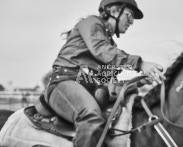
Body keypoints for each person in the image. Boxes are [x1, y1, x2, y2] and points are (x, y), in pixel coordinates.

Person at [40, 0, 166, 147]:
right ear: (113, 11)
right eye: (130, 16)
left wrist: (139, 77)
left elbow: (106, 74)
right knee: (91, 118)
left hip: (85, 82)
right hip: (63, 82)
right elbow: (101, 50)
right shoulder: (92, 23)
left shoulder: (109, 44)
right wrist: (140, 64)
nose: (131, 22)